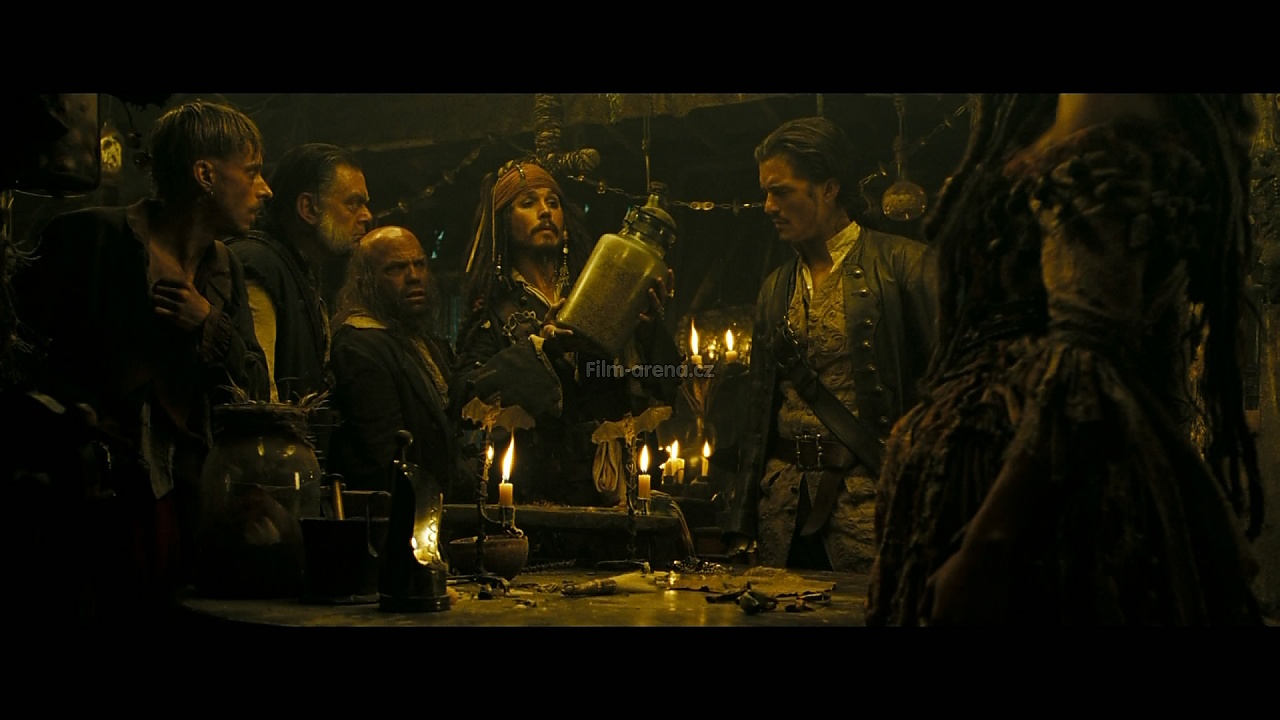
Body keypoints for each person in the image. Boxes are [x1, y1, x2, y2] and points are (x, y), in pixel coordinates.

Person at [867, 94, 1265, 626]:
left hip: (1035, 492)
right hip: (995, 477)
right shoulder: (1044, 112)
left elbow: (1090, 350)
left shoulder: (1103, 103)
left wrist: (987, 545)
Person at [10, 99, 272, 623]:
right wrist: (71, 420)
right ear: (204, 174)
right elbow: (19, 354)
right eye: (252, 172)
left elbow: (253, 386)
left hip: (185, 503)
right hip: (87, 502)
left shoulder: (226, 270)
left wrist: (208, 324)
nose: (264, 189)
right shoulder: (92, 238)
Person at [721, 116, 938, 574]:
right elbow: (758, 415)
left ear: (828, 188)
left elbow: (944, 393)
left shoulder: (906, 265)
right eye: (765, 193)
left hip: (871, 505)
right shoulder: (775, 287)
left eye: (782, 192)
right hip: (783, 510)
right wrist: (742, 522)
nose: (768, 206)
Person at [452, 158, 679, 508]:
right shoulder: (493, 311)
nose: (545, 211)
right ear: (504, 223)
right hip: (536, 487)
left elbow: (663, 378)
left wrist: (647, 330)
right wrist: (542, 348)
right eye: (528, 203)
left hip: (610, 481)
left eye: (553, 202)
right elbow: (466, 394)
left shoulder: (599, 288)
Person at [326, 225, 465, 499]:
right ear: (365, 283)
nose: (414, 277)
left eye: (419, 264)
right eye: (396, 268)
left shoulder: (418, 339)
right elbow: (383, 459)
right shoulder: (360, 347)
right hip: (400, 510)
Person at [229, 143, 372, 406]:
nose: (366, 216)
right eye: (353, 204)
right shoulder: (260, 266)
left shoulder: (299, 269)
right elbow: (257, 403)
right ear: (308, 208)